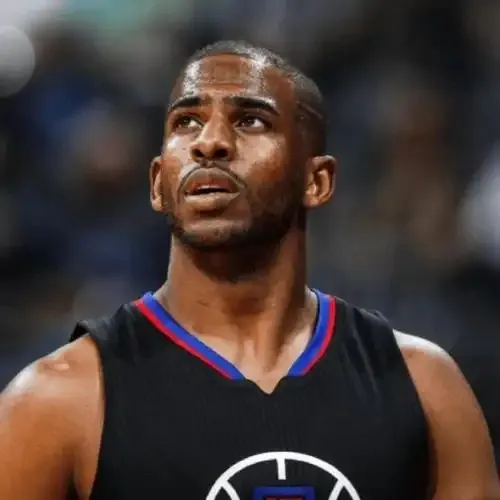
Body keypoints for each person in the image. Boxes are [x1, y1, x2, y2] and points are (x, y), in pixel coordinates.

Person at [0, 40, 498, 500]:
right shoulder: (57, 399)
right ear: (157, 183)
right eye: (186, 122)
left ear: (316, 181)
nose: (209, 142)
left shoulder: (425, 387)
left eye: (251, 121)